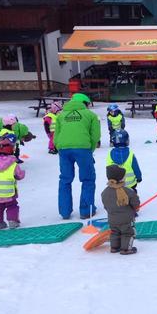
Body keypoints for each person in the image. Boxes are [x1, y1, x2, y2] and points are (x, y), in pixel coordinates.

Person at [54, 92, 101, 220]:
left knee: (65, 179)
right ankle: (86, 210)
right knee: (88, 179)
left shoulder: (61, 115)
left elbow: (56, 135)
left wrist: (60, 147)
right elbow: (95, 136)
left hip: (63, 149)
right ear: (85, 103)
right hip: (83, 149)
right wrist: (89, 150)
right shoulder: (90, 115)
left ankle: (65, 212)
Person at [0, 135, 25, 229]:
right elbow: (19, 176)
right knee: (12, 206)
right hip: (8, 192)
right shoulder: (13, 164)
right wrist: (22, 173)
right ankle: (13, 222)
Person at [101, 164, 139, 255]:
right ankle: (126, 249)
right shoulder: (128, 191)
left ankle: (114, 247)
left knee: (115, 232)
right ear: (121, 178)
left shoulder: (105, 192)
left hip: (112, 219)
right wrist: (135, 208)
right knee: (128, 233)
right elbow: (135, 203)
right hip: (126, 219)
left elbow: (105, 205)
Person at [106, 129, 142, 196]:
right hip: (130, 184)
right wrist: (139, 177)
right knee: (132, 193)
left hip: (116, 184)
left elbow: (109, 170)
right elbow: (136, 167)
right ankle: (132, 199)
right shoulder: (130, 154)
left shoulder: (110, 154)